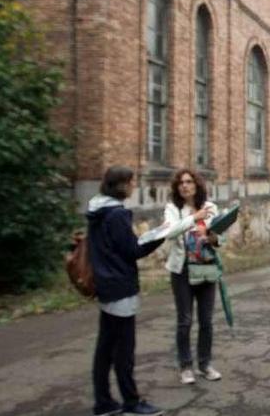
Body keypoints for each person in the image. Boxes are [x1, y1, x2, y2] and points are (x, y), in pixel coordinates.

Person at [87, 166, 165, 416]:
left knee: (105, 349)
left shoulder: (96, 210)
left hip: (106, 286)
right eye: (131, 182)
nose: (133, 187)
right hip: (121, 288)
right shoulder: (117, 215)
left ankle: (103, 402)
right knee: (124, 351)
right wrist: (160, 235)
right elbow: (132, 250)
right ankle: (131, 402)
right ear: (120, 185)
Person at [161, 169, 221, 385]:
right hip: (182, 270)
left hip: (206, 268)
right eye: (180, 183)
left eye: (189, 181)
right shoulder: (173, 209)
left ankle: (205, 364)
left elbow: (219, 236)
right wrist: (193, 218)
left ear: (197, 184)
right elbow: (170, 232)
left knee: (206, 320)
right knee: (185, 320)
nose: (184, 186)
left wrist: (213, 238)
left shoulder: (210, 207)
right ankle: (186, 366)